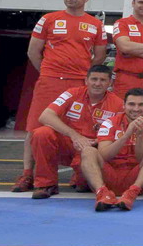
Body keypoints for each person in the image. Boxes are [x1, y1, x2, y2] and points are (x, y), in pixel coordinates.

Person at [15, 0, 107, 192]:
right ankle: (27, 174)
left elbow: (100, 56)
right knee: (35, 128)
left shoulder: (95, 24)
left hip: (79, 82)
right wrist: (48, 72)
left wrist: (84, 76)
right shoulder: (48, 19)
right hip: (50, 81)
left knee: (79, 127)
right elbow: (33, 52)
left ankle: (79, 172)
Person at [29, 65, 123, 198]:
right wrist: (74, 135)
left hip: (92, 148)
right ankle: (46, 184)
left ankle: (80, 178)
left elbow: (119, 133)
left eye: (103, 80)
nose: (97, 83)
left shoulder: (118, 104)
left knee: (83, 185)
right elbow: (45, 116)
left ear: (110, 83)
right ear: (86, 80)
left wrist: (96, 142)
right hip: (68, 142)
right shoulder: (72, 93)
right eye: (94, 79)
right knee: (41, 133)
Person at [86, 88, 143, 211]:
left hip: (137, 177)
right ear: (124, 105)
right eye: (131, 104)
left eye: (141, 105)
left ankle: (132, 192)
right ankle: (102, 192)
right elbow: (104, 155)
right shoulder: (108, 123)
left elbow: (142, 158)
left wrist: (140, 135)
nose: (136, 109)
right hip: (110, 175)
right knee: (88, 151)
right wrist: (126, 135)